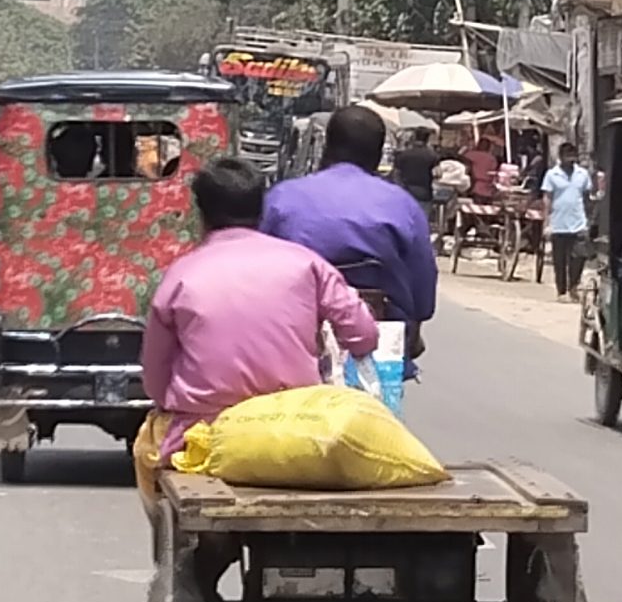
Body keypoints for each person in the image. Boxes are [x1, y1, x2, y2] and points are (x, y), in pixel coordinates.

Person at [137, 155, 379, 492]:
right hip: (297, 426)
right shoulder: (306, 263)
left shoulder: (181, 275)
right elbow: (364, 335)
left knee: (146, 451)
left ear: (201, 213)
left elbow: (155, 380)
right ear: (261, 210)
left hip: (204, 435)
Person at [262, 105, 438, 388]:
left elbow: (256, 267)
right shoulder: (403, 205)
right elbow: (423, 291)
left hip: (291, 333)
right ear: (379, 154)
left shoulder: (283, 197)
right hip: (377, 335)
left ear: (327, 146)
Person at [542, 141, 599, 299]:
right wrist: (546, 223)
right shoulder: (552, 175)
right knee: (559, 261)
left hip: (578, 223)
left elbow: (587, 198)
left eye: (573, 155)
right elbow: (547, 198)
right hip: (558, 224)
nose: (570, 159)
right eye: (567, 155)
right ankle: (561, 291)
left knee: (578, 259)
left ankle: (573, 287)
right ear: (560, 157)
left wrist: (589, 219)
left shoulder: (582, 174)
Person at [390, 127, 438, 207]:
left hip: (406, 192)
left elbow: (396, 174)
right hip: (424, 194)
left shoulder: (403, 154)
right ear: (427, 139)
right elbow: (438, 174)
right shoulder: (432, 155)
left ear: (414, 137)